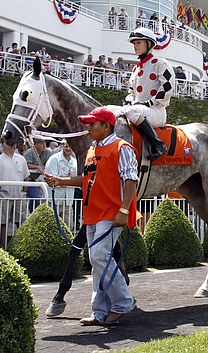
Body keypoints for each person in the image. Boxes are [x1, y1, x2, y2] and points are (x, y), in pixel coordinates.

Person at [44, 107, 137, 326]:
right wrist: (61, 181)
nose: (88, 127)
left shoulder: (122, 148)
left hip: (111, 212)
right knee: (97, 261)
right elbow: (87, 179)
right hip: (93, 213)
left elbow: (131, 180)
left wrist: (123, 210)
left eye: (92, 124)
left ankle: (123, 302)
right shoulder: (92, 150)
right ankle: (99, 311)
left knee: (99, 257)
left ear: (106, 126)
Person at [117, 27, 174, 161]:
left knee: (131, 111)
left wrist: (149, 102)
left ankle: (158, 144)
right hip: (138, 109)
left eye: (139, 42)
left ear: (149, 44)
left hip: (156, 111)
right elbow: (131, 92)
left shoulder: (160, 63)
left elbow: (167, 88)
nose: (135, 46)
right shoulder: (136, 68)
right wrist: (129, 100)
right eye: (134, 43)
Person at [0, 138, 30, 247]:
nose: (11, 145)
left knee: (23, 222)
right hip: (4, 195)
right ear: (2, 144)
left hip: (19, 195)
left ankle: (21, 246)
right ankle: (3, 247)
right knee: (3, 223)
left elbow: (26, 177)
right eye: (8, 142)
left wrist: (24, 192)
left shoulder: (21, 159)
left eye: (13, 143)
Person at [45, 140, 78, 230]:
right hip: (54, 200)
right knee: (51, 229)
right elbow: (52, 181)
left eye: (70, 146)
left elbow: (74, 180)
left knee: (68, 229)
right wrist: (69, 180)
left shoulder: (74, 161)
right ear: (62, 146)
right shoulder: (54, 159)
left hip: (68, 202)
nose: (68, 148)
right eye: (66, 146)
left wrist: (65, 180)